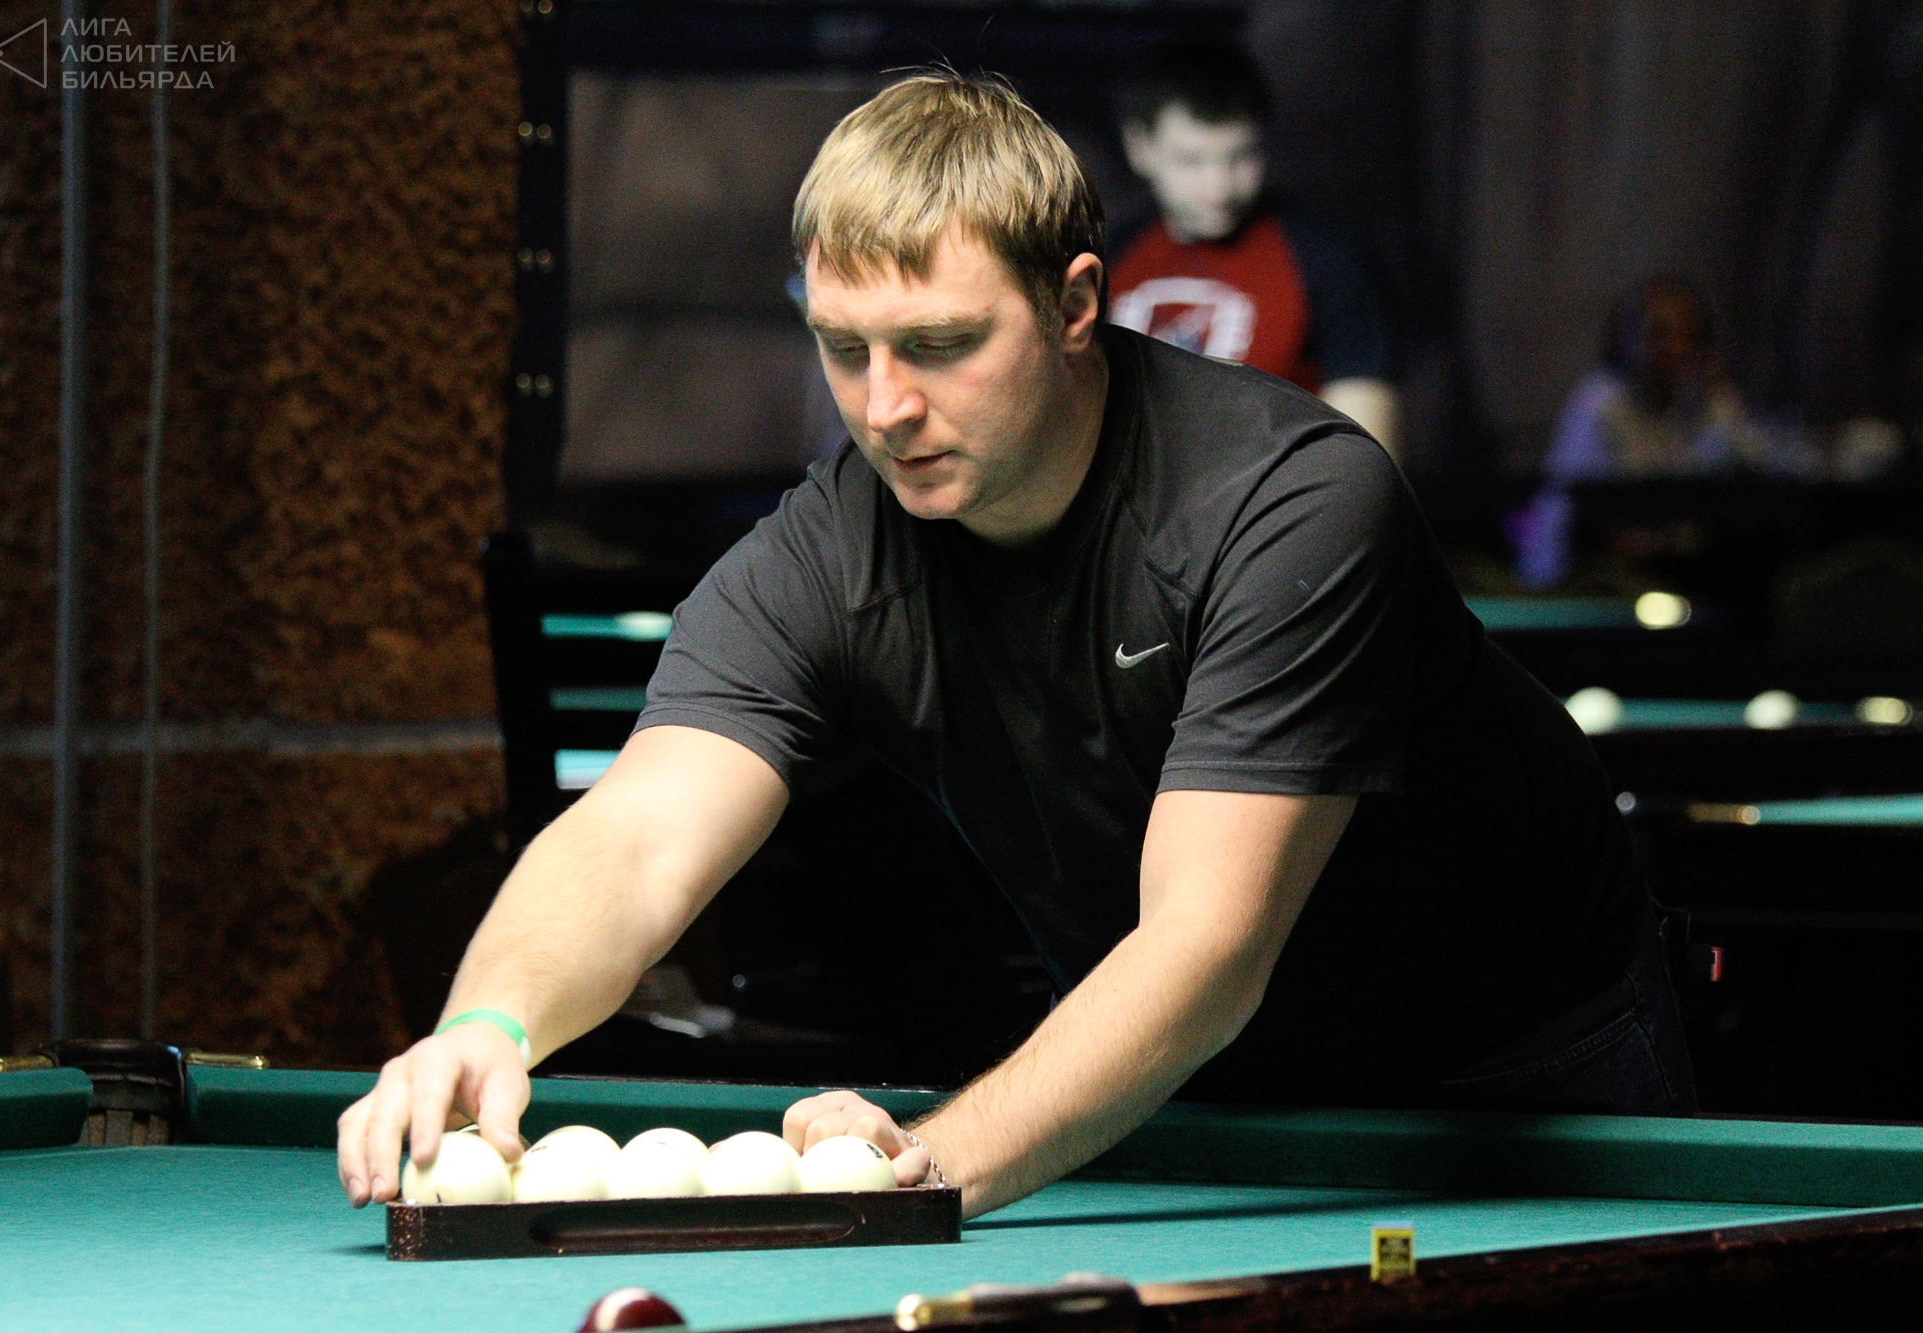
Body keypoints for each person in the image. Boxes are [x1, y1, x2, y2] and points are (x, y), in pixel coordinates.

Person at [337, 74, 1693, 1221]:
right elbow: (637, 836)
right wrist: (487, 1024)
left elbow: (1204, 945)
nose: (885, 407)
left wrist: (915, 1171)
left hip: (1519, 1073)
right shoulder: (828, 553)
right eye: (844, 348)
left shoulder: (1291, 503)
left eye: (939, 344)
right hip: (1191, 1083)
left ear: (1075, 302)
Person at [1110, 45, 1400, 456]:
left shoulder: (1327, 259)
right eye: (1191, 160)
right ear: (1139, 148)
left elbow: (1370, 453)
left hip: (1271, 491)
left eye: (1240, 157)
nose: (1219, 188)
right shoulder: (1110, 254)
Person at [1515, 275, 1785, 586]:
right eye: (1657, 334)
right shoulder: (1601, 404)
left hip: (1661, 571)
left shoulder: (1695, 402)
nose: (1672, 348)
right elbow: (1605, 528)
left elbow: (1759, 463)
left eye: (1686, 336)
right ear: (1623, 339)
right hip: (1577, 580)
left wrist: (1720, 403)